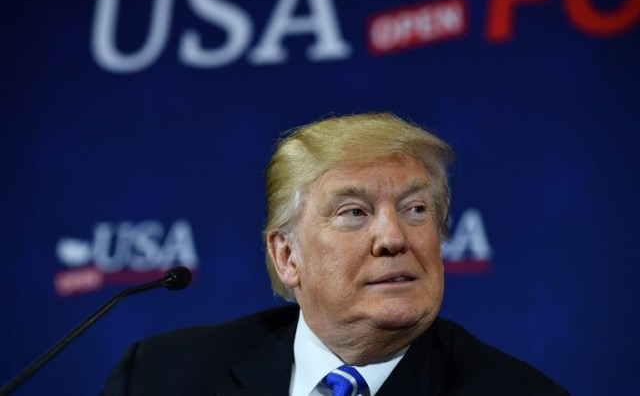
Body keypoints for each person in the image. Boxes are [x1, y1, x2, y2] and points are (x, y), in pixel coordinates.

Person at [103, 113, 569, 395]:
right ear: (287, 257)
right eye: (353, 211)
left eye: (415, 209)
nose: (393, 237)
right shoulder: (160, 376)